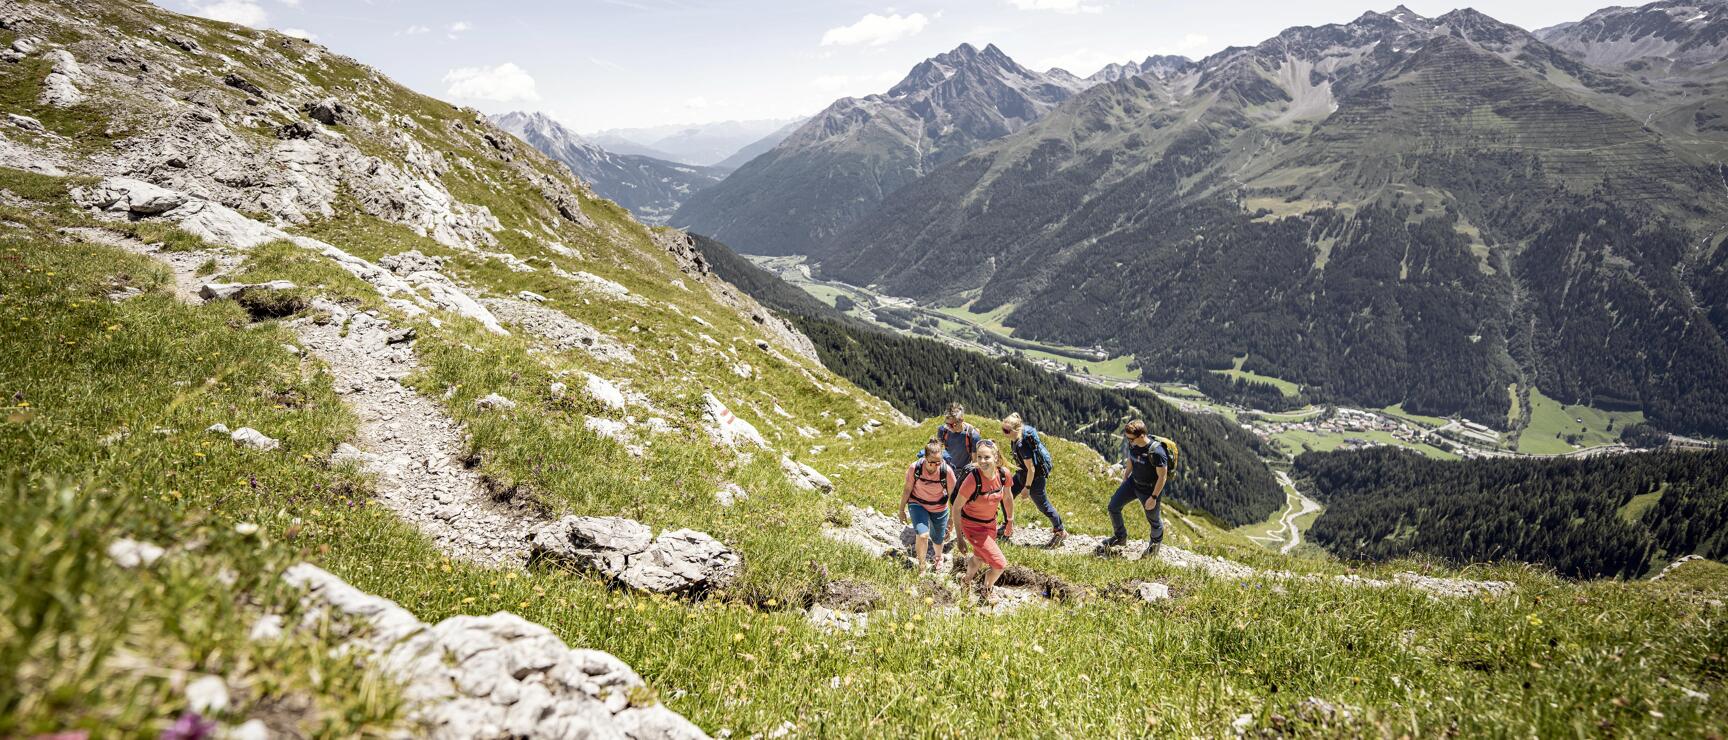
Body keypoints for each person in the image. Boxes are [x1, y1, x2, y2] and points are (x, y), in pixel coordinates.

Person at [947, 442, 1015, 604]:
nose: (982, 461)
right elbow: (956, 508)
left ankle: (966, 580)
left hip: (990, 524)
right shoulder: (973, 479)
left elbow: (1007, 497)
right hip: (972, 527)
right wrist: (960, 538)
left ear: (996, 458)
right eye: (979, 457)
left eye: (987, 457)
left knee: (979, 557)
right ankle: (986, 589)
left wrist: (1010, 521)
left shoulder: (1004, 474)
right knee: (999, 564)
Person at [1102, 420, 1168, 559]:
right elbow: (1131, 459)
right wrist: (1126, 476)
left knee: (1154, 521)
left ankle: (1153, 550)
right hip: (1133, 483)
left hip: (1149, 490)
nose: (1128, 441)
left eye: (1131, 438)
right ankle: (1120, 537)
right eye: (1127, 438)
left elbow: (1162, 477)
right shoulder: (1134, 444)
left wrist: (1154, 497)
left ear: (1142, 435)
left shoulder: (1157, 452)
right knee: (1113, 506)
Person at [1002, 413, 1066, 548]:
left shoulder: (1021, 445)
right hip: (1021, 474)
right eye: (1003, 429)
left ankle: (1060, 531)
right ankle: (1007, 524)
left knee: (1043, 505)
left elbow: (1031, 469)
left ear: (1015, 430)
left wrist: (1027, 488)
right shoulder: (1014, 438)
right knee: (1005, 496)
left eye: (1006, 431)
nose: (1004, 433)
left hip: (1034, 479)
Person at [899, 441, 955, 575]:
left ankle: (938, 557)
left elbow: (954, 496)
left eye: (938, 462)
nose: (936, 466)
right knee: (923, 535)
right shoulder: (915, 468)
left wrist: (952, 519)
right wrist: (901, 510)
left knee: (938, 538)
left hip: (939, 506)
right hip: (917, 503)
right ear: (925, 458)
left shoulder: (946, 471)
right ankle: (922, 566)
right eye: (932, 462)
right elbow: (907, 489)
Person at [930, 402, 982, 471]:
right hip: (947, 469)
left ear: (961, 420)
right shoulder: (943, 430)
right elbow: (938, 450)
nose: (949, 428)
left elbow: (975, 463)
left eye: (952, 425)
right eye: (947, 424)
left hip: (963, 471)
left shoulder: (973, 436)